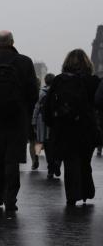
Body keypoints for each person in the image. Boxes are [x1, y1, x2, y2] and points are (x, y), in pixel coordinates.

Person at [0, 30, 38, 214]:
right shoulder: (25, 62)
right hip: (17, 118)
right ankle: (10, 197)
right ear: (12, 42)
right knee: (13, 160)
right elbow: (33, 94)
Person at [43, 49, 100, 206]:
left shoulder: (60, 80)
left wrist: (51, 124)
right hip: (86, 129)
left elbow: (48, 106)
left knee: (70, 162)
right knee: (84, 161)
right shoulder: (93, 81)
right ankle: (86, 191)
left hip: (64, 129)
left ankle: (72, 195)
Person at [31, 73, 59, 178]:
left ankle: (36, 158)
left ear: (45, 81)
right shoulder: (57, 92)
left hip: (41, 121)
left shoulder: (41, 93)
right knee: (53, 144)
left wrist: (33, 121)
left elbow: (37, 107)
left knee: (39, 141)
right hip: (54, 122)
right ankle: (55, 163)